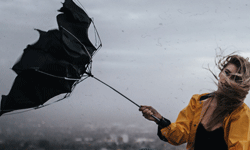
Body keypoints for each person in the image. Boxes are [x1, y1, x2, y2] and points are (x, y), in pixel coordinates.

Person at [139, 54, 250, 150]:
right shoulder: (198, 101)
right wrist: (160, 120)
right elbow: (180, 135)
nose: (227, 79)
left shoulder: (240, 112)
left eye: (235, 79)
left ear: (240, 85)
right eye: (226, 72)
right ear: (220, 73)